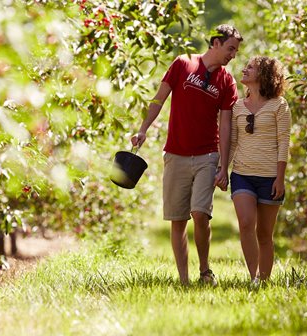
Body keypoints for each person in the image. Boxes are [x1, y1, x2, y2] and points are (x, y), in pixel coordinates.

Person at [131, 24, 243, 286]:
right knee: (178, 219)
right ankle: (184, 281)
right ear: (215, 43)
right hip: (176, 154)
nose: (233, 55)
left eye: (236, 51)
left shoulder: (227, 81)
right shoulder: (183, 63)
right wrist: (143, 129)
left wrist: (223, 166)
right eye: (230, 49)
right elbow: (158, 99)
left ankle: (205, 270)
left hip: (207, 155)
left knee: (200, 213)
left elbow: (225, 125)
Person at [226, 56, 291, 282]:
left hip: (270, 178)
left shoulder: (279, 106)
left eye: (250, 67)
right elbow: (232, 142)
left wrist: (280, 179)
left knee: (264, 234)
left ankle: (263, 281)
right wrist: (222, 169)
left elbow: (284, 142)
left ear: (263, 75)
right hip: (242, 174)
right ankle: (253, 277)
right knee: (245, 224)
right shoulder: (237, 106)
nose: (244, 70)